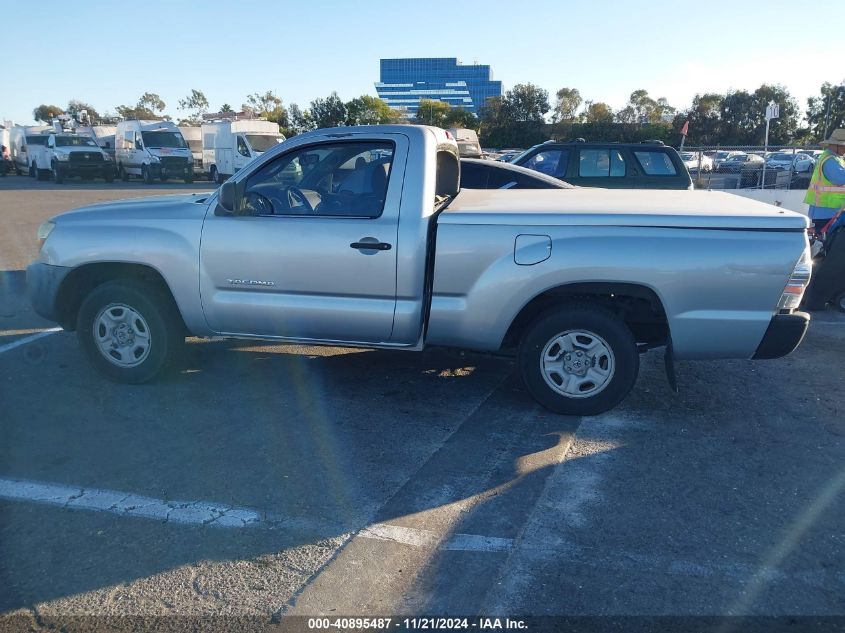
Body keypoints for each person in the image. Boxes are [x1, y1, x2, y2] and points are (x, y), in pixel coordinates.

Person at [805, 129, 845, 235]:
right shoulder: (831, 160)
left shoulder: (833, 158)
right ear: (837, 145)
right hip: (827, 211)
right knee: (831, 244)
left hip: (827, 211)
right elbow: (840, 178)